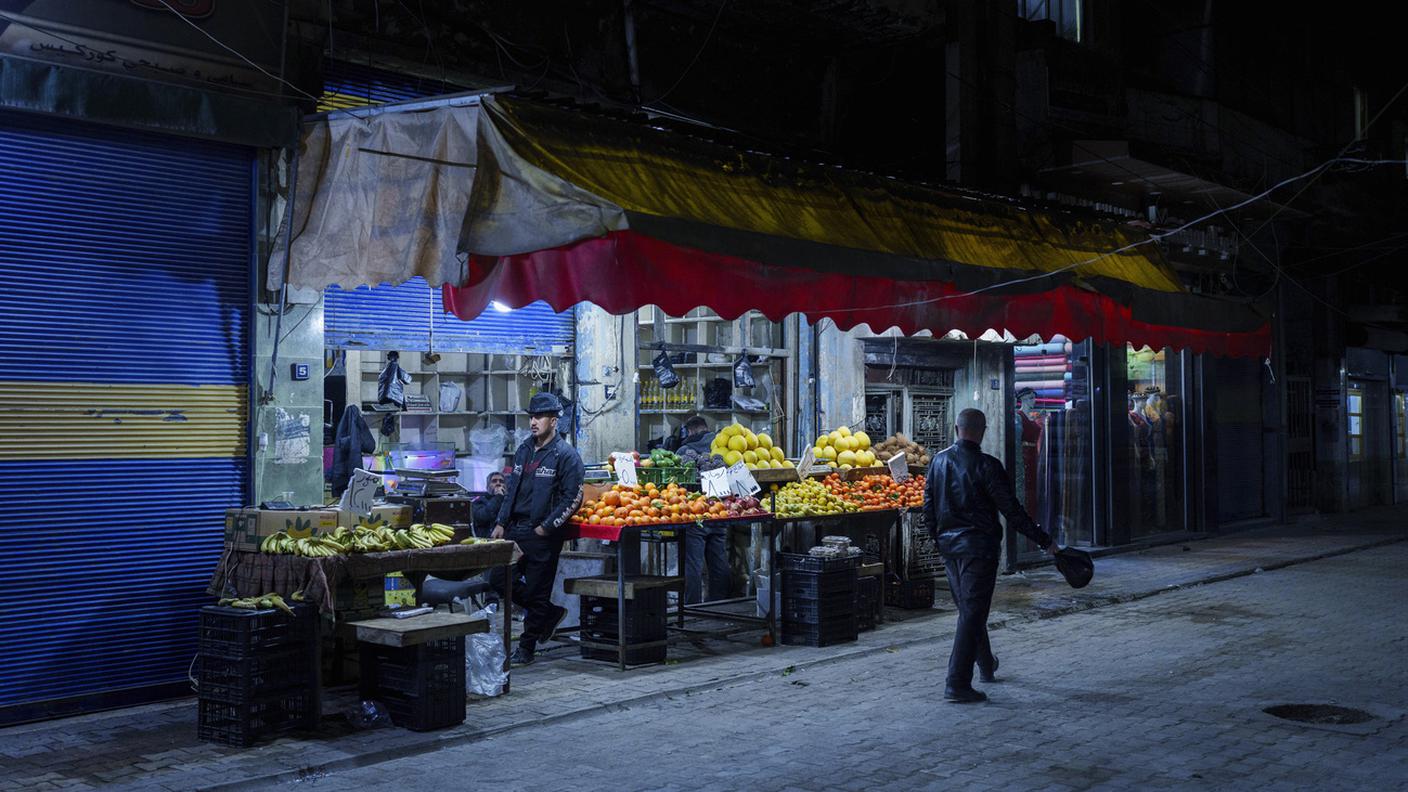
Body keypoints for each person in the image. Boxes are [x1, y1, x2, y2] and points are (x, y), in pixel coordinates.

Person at [924, 408, 1058, 703]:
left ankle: (985, 664)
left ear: (956, 429)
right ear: (982, 431)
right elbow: (1012, 511)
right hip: (978, 549)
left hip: (950, 549)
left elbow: (928, 508)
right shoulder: (988, 466)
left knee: (971, 611)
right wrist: (1044, 540)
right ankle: (956, 683)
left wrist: (939, 539)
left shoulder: (938, 461)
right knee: (972, 612)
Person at [488, 392, 585, 665]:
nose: (533, 422)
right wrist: (500, 522)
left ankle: (527, 648)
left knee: (536, 592)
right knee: (497, 580)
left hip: (542, 535)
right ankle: (549, 613)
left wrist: (547, 527)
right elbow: (511, 491)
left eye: (539, 417)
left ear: (554, 421)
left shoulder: (566, 456)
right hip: (515, 530)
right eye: (531, 416)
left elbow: (573, 498)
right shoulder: (524, 449)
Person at [472, 470, 508, 537]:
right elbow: (483, 517)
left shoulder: (509, 503)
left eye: (501, 481)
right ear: (487, 486)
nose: (498, 483)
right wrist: (498, 497)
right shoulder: (478, 502)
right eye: (494, 481)